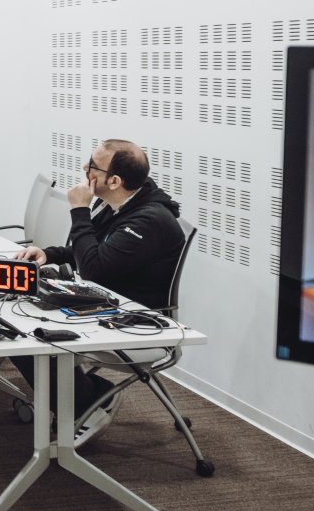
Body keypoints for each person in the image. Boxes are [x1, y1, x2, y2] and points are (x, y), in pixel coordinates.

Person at [12, 139, 185, 412]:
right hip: (106, 301)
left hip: (133, 318)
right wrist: (50, 254)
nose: (85, 168)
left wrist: (79, 209)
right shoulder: (122, 204)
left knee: (31, 336)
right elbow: (94, 250)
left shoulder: (148, 220)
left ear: (114, 181)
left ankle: (92, 403)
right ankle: (84, 400)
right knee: (15, 321)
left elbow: (92, 269)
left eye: (93, 165)